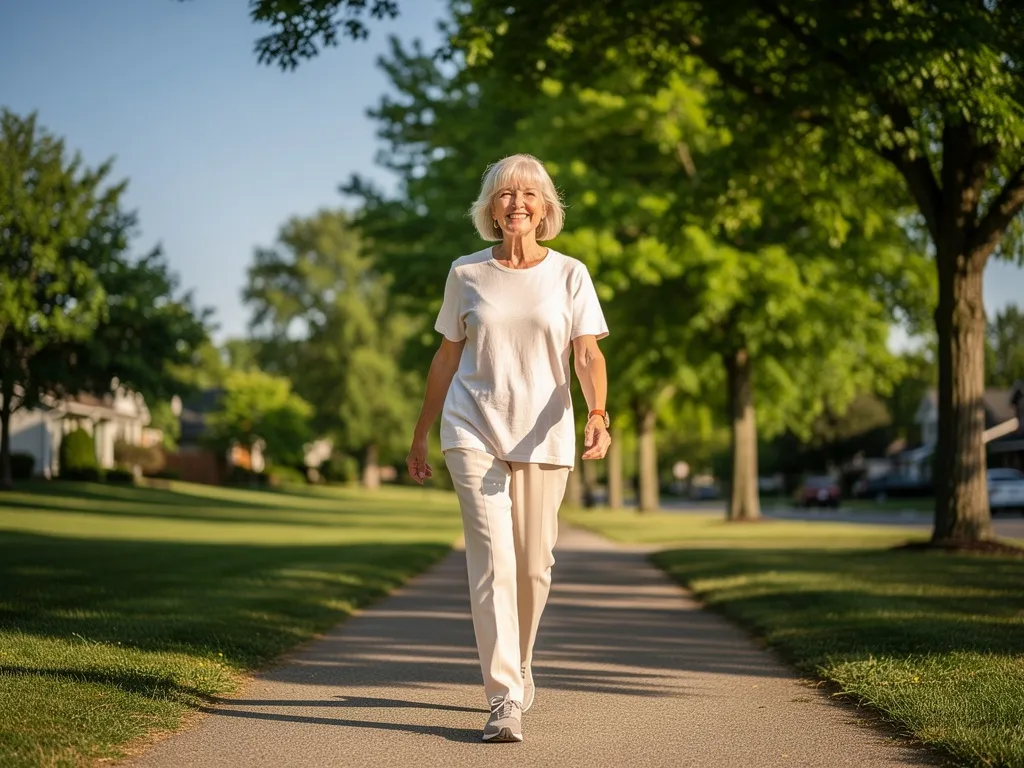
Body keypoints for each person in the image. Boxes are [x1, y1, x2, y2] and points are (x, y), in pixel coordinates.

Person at [405, 153, 611, 743]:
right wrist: (421, 432)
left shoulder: (571, 274)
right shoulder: (465, 273)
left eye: (529, 195)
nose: (516, 203)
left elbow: (588, 354)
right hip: (473, 427)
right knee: (492, 559)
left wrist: (598, 411)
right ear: (489, 208)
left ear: (546, 208)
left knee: (535, 562)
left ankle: (521, 662)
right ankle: (503, 697)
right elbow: (447, 357)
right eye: (504, 194)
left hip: (545, 434)